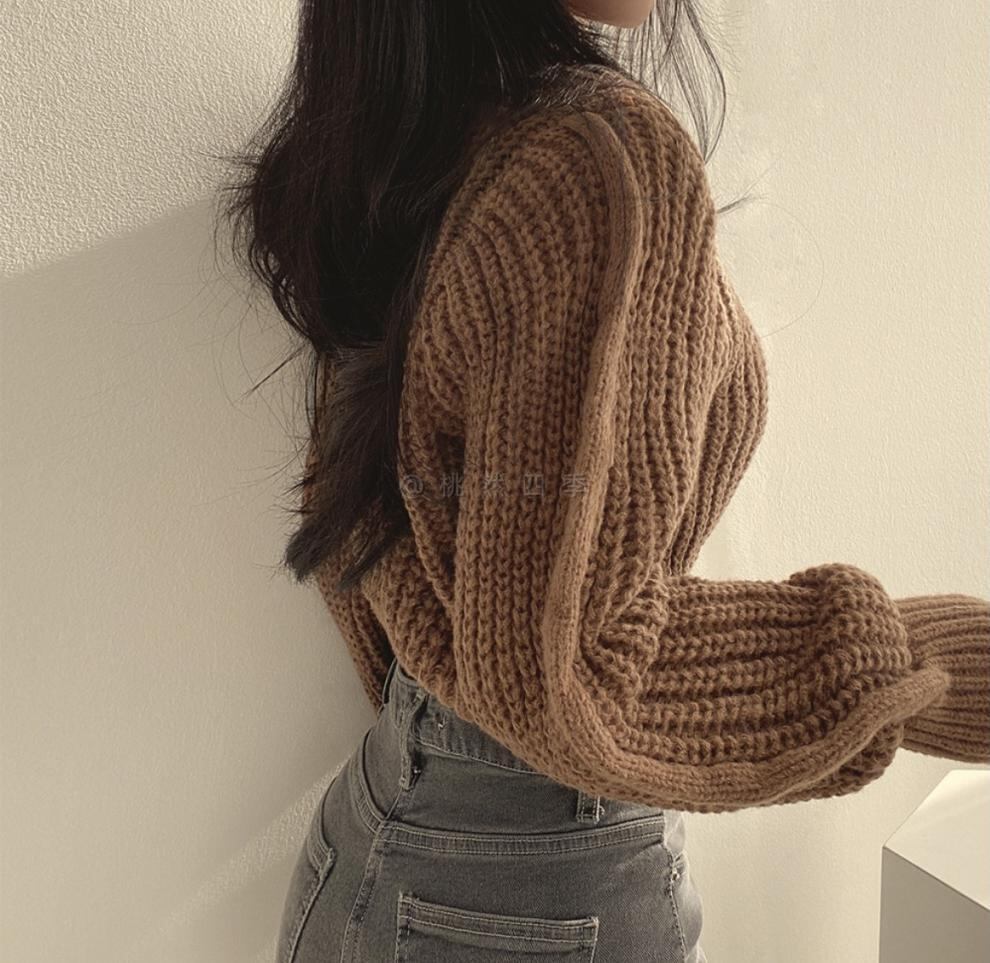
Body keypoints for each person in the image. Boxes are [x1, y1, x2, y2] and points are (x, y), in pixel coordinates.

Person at [217, 2, 990, 960]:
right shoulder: (596, 168)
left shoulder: (413, 117)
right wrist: (932, 667)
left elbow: (357, 509)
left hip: (385, 842)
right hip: (533, 891)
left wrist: (449, 724)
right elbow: (568, 670)